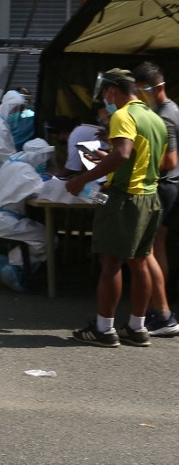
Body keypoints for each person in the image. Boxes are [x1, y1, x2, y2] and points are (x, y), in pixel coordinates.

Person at [65, 68, 167, 348]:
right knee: (141, 261)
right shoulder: (153, 117)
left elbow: (122, 154)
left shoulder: (123, 115)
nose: (105, 101)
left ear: (112, 90)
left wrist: (80, 180)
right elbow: (150, 160)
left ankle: (104, 329)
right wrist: (107, 158)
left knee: (110, 263)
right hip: (149, 197)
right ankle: (137, 327)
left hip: (124, 198)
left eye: (105, 94)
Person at [132, 62, 179, 337]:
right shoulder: (165, 110)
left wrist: (138, 160)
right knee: (154, 246)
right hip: (170, 186)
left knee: (146, 249)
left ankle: (162, 313)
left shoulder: (165, 115)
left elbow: (170, 160)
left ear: (158, 87)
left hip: (165, 186)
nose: (140, 96)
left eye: (143, 90)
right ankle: (157, 308)